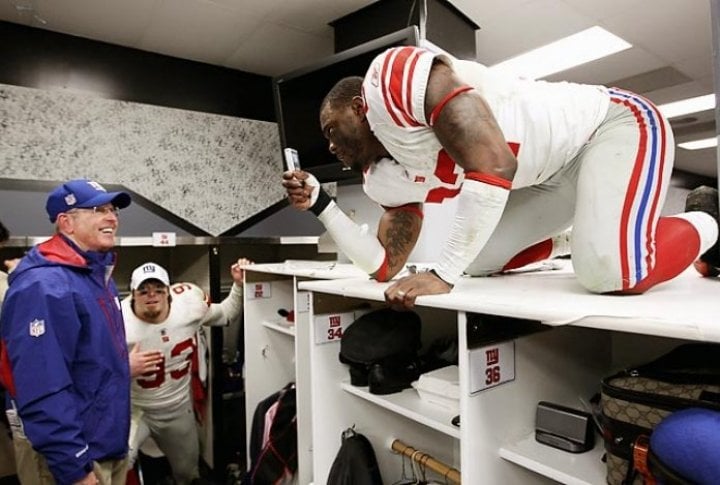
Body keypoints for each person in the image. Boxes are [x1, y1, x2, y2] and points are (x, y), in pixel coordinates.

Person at [282, 45, 719, 308]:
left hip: (609, 125)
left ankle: (707, 218)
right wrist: (322, 204)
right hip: (547, 177)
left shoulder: (389, 82)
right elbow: (383, 266)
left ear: (359, 108)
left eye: (331, 131)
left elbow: (492, 163)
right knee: (480, 262)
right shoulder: (382, 176)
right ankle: (573, 238)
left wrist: (444, 273)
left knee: (611, 272)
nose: (332, 146)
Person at [0, 178, 132, 484]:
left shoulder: (98, 274)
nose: (112, 217)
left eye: (113, 209)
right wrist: (74, 465)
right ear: (66, 222)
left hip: (106, 446)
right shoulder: (44, 286)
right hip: (72, 460)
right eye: (98, 209)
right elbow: (42, 386)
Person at [123, 259, 249, 485]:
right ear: (133, 294)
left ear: (169, 293)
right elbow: (88, 369)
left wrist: (238, 285)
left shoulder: (189, 306)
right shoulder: (118, 320)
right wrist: (123, 367)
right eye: (143, 290)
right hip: (135, 410)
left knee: (188, 474)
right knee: (115, 469)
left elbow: (227, 314)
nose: (151, 295)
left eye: (158, 289)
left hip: (177, 409)